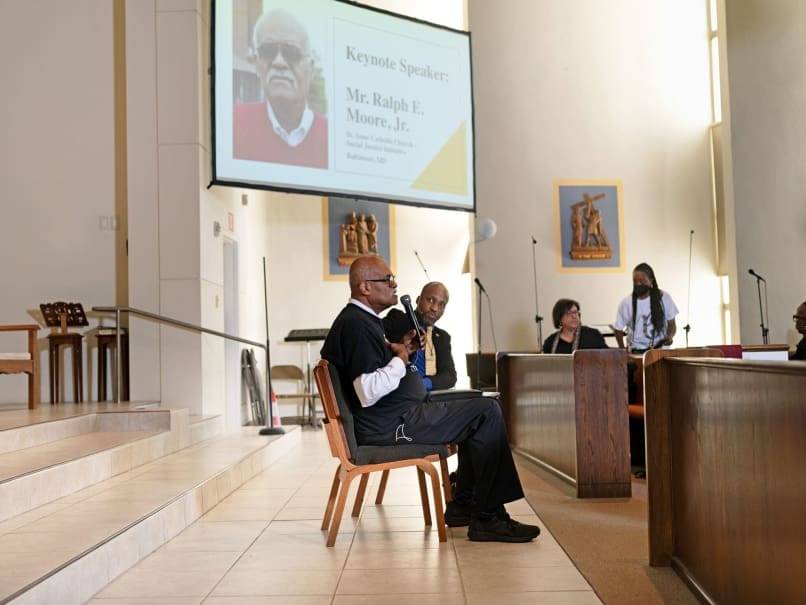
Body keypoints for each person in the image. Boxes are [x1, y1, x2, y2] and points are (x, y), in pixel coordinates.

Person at [320, 257, 540, 543]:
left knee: (481, 407)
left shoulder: (362, 322)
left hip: (397, 417)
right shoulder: (357, 325)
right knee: (486, 411)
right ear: (365, 288)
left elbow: (375, 374)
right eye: (387, 280)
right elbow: (367, 390)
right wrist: (400, 359)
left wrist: (405, 351)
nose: (394, 284)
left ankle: (464, 505)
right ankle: (488, 518)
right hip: (392, 425)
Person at [233, 9, 328, 168]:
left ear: (310, 68)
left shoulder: (333, 139)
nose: (279, 62)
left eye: (291, 53)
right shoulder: (233, 124)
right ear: (256, 63)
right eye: (268, 51)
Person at [383, 282, 457, 391]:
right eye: (430, 300)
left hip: (432, 396)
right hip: (401, 392)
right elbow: (374, 344)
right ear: (418, 300)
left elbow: (450, 376)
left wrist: (422, 384)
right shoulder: (397, 319)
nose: (435, 308)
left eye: (441, 305)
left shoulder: (443, 337)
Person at [613, 262, 679, 353]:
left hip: (660, 351)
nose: (638, 284)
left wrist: (670, 336)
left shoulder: (664, 298)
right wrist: (622, 350)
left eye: (642, 281)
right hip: (636, 352)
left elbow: (672, 324)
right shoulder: (626, 302)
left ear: (651, 281)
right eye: (635, 281)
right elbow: (618, 329)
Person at [542, 299, 608, 353]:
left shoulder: (593, 335)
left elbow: (607, 358)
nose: (574, 316)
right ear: (559, 318)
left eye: (575, 312)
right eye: (568, 313)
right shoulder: (550, 341)